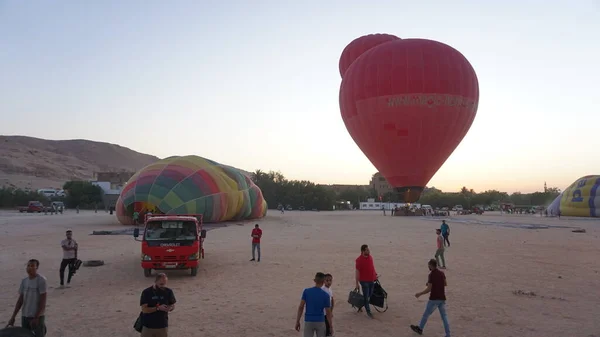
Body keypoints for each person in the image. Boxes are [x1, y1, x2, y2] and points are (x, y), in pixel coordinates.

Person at [410, 259, 450, 337]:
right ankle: (448, 334)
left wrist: (419, 293)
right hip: (442, 298)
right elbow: (445, 283)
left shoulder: (431, 275)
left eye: (429, 265)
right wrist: (432, 283)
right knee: (444, 316)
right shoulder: (442, 273)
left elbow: (428, 289)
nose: (428, 267)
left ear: (431, 265)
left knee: (426, 314)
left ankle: (420, 328)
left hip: (434, 298)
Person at [7, 259, 48, 337]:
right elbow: (20, 300)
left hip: (37, 317)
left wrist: (36, 317)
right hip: (25, 316)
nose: (29, 268)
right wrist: (13, 317)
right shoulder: (24, 281)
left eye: (32, 266)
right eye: (28, 266)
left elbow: (43, 301)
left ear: (37, 268)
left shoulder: (41, 280)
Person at [295, 272, 333, 337]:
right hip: (320, 321)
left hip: (309, 320)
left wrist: (297, 321)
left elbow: (301, 307)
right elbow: (328, 312)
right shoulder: (326, 295)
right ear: (323, 281)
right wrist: (330, 326)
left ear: (314, 280)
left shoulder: (306, 291)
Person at [140, 273, 176, 337]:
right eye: (161, 284)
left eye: (165, 284)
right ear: (155, 282)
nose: (163, 286)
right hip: (148, 326)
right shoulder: (146, 292)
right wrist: (158, 308)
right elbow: (144, 310)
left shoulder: (168, 291)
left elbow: (172, 305)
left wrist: (170, 308)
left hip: (162, 326)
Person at [355, 244, 378, 318]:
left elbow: (372, 267)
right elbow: (357, 272)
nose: (369, 251)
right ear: (363, 251)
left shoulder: (370, 257)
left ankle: (360, 304)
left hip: (371, 279)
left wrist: (375, 275)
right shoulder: (359, 260)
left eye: (368, 249)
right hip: (364, 281)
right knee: (366, 296)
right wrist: (357, 283)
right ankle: (368, 312)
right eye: (367, 250)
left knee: (369, 295)